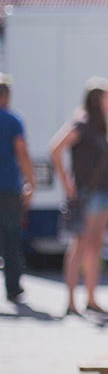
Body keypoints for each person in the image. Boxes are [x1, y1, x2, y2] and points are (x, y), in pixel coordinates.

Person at [49, 78, 108, 316]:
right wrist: (67, 184)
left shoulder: (101, 126)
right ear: (97, 99)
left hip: (104, 192)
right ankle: (71, 301)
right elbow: (55, 148)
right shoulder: (82, 124)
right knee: (79, 245)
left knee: (95, 246)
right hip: (87, 193)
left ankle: (91, 297)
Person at [0, 75, 36, 304]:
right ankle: (13, 288)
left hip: (9, 186)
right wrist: (30, 182)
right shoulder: (12, 120)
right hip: (10, 187)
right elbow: (21, 152)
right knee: (11, 239)